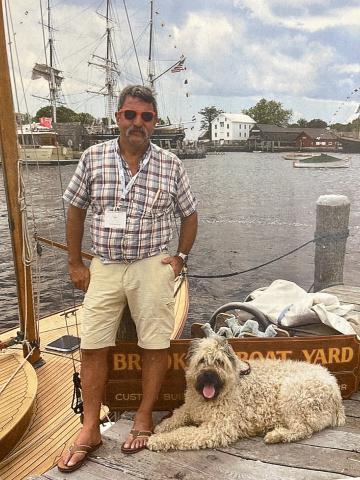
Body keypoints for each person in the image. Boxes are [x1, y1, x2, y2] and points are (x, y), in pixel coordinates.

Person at [57, 85, 197, 472]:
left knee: (155, 343)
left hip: (152, 264)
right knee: (92, 344)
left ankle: (143, 415)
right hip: (104, 264)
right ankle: (90, 428)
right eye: (130, 115)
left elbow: (189, 214)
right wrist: (75, 264)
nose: (138, 123)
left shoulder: (171, 164)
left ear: (155, 122)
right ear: (118, 117)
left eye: (146, 117)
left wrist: (180, 259)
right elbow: (75, 211)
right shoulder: (93, 157)